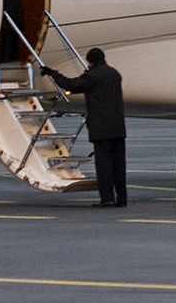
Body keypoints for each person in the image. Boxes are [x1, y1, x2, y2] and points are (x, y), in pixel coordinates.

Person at [45, 47, 127, 207]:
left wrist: (52, 73)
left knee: (104, 166)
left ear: (90, 61)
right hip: (118, 127)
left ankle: (107, 199)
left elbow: (70, 85)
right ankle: (122, 198)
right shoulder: (114, 74)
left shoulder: (93, 76)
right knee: (119, 165)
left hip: (101, 129)